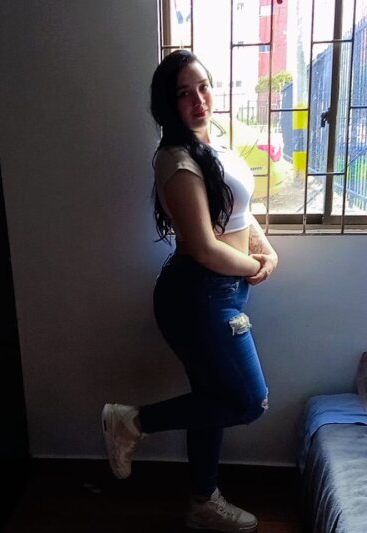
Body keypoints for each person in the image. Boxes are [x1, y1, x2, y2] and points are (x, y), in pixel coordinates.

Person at [102, 49, 278, 532]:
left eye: (203, 86)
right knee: (249, 402)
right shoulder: (175, 159)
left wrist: (267, 251)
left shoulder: (213, 146)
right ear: (168, 104)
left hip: (221, 292)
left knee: (212, 400)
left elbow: (239, 211)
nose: (199, 99)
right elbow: (203, 246)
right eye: (184, 93)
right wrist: (253, 266)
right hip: (198, 295)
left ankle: (203, 502)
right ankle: (131, 421)